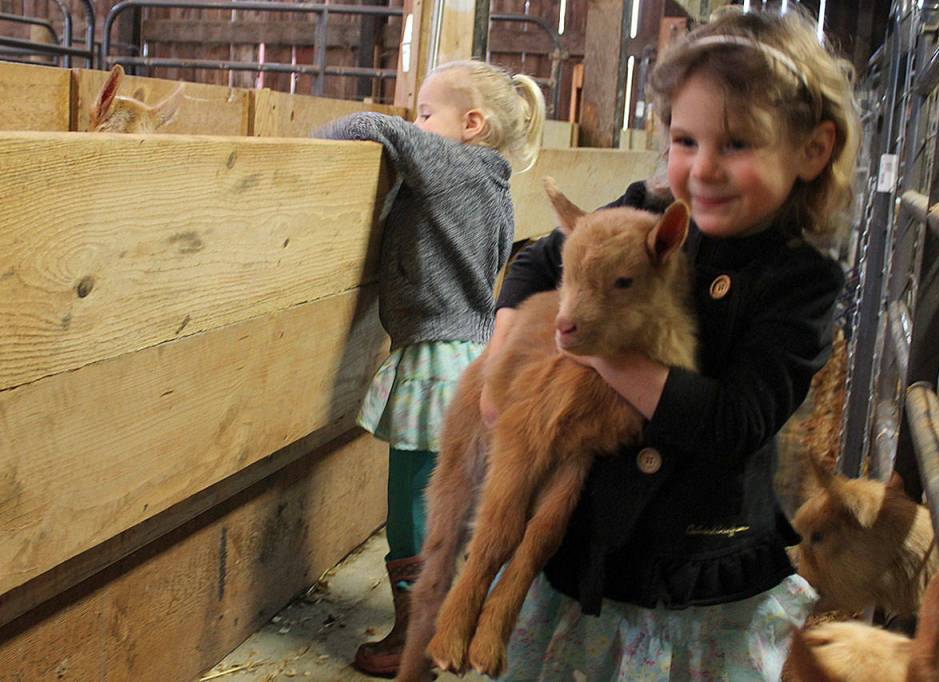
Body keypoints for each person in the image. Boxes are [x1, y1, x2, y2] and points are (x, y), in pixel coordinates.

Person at [482, 8, 861, 680]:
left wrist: (593, 346)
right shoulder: (647, 211)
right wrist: (503, 344)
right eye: (686, 140)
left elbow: (733, 423)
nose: (704, 168)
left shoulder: (801, 281)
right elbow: (546, 258)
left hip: (699, 576)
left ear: (812, 149)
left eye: (737, 145)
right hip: (586, 558)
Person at [314, 60, 545, 677]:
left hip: (436, 355)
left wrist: (303, 159)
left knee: (413, 500)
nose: (414, 123)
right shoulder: (493, 183)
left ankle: (411, 639)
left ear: (472, 124)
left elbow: (372, 125)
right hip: (466, 353)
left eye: (424, 113)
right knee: (450, 497)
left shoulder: (454, 166)